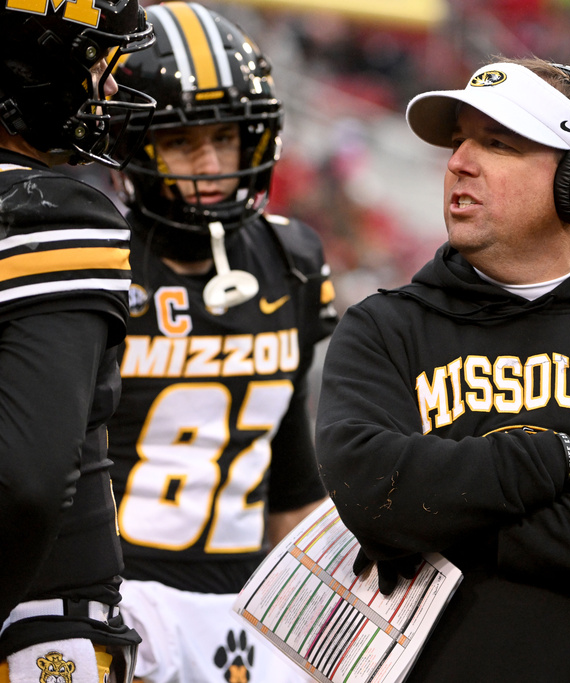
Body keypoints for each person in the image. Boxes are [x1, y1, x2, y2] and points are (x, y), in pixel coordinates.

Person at [316, 58, 570, 682]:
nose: (459, 161)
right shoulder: (382, 328)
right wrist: (561, 462)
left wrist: (442, 528)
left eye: (497, 143)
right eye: (459, 139)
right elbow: (373, 492)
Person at [102, 3, 338, 681]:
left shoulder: (291, 256)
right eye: (183, 142)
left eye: (226, 138)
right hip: (119, 598)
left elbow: (291, 467)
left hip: (248, 602)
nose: (210, 164)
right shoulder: (96, 259)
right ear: (134, 146)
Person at [0, 1, 157, 681]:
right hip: (34, 622)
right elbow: (26, 482)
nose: (111, 86)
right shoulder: (51, 207)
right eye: (96, 61)